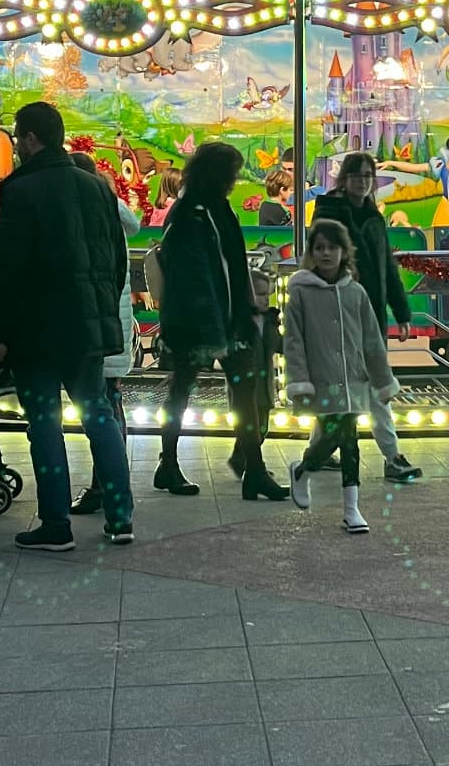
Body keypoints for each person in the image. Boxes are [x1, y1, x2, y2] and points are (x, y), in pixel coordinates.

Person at [0, 100, 134, 552]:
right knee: (99, 415)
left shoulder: (20, 190)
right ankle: (120, 517)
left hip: (36, 332)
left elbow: (6, 267)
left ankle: (55, 523)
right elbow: (117, 260)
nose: (16, 147)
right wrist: (101, 307)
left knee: (44, 423)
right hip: (86, 330)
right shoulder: (97, 187)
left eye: (17, 138)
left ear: (30, 139)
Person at [153, 140, 287, 501]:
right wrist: (224, 327)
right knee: (222, 392)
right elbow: (197, 278)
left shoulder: (198, 210)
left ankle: (242, 468)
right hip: (208, 323)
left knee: (190, 391)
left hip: (216, 321)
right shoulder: (197, 213)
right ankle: (244, 470)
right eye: (231, 173)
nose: (234, 180)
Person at [310, 152, 422, 482]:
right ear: (343, 179)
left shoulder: (373, 217)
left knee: (354, 385)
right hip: (340, 313)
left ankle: (317, 450)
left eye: (368, 175)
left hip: (370, 312)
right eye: (357, 175)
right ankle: (392, 456)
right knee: (372, 385)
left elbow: (387, 266)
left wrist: (401, 310)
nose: (363, 180)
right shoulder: (329, 213)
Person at [282, 218, 394, 535]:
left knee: (349, 438)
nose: (326, 254)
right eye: (320, 248)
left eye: (332, 247)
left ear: (344, 252)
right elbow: (294, 342)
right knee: (335, 435)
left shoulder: (356, 293)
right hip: (321, 381)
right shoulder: (301, 295)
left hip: (355, 380)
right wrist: (299, 380)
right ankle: (304, 469)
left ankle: (351, 507)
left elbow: (372, 340)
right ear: (311, 253)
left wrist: (382, 379)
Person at [69, 151, 136, 518]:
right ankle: (111, 486)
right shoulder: (114, 214)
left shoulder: (88, 218)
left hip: (96, 331)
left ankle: (107, 488)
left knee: (101, 410)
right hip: (115, 327)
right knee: (111, 405)